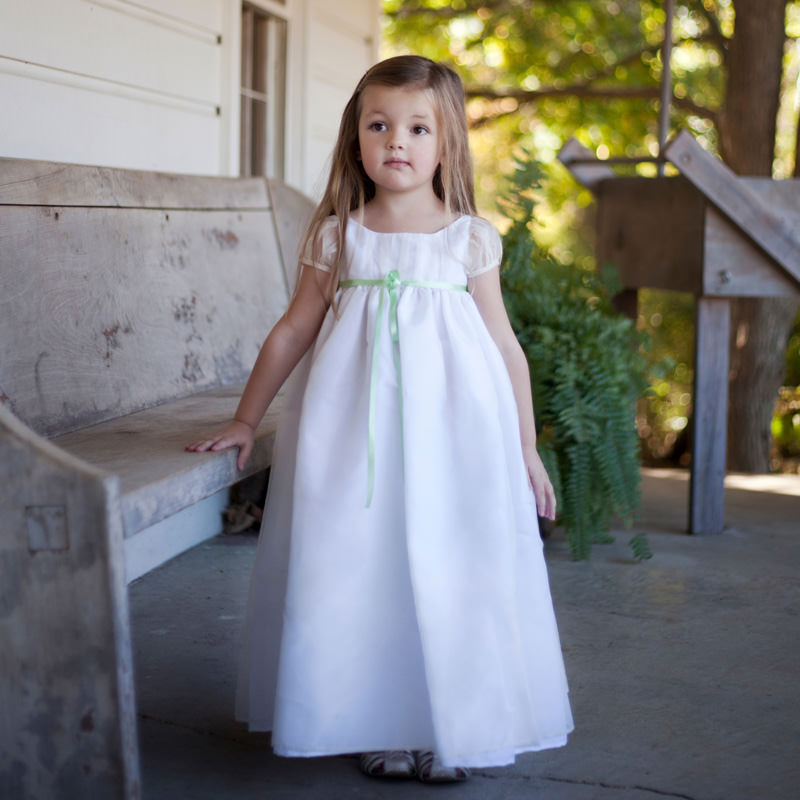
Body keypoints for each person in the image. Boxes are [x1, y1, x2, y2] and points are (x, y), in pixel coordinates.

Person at [186, 54, 573, 783]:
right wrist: (245, 421)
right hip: (351, 441)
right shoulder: (339, 236)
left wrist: (524, 448)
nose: (397, 140)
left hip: (455, 440)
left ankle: (441, 726)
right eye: (379, 124)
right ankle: (375, 720)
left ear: (448, 142)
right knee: (359, 568)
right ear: (356, 138)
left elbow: (504, 347)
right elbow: (293, 332)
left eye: (418, 127)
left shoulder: (468, 239)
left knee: (449, 565)